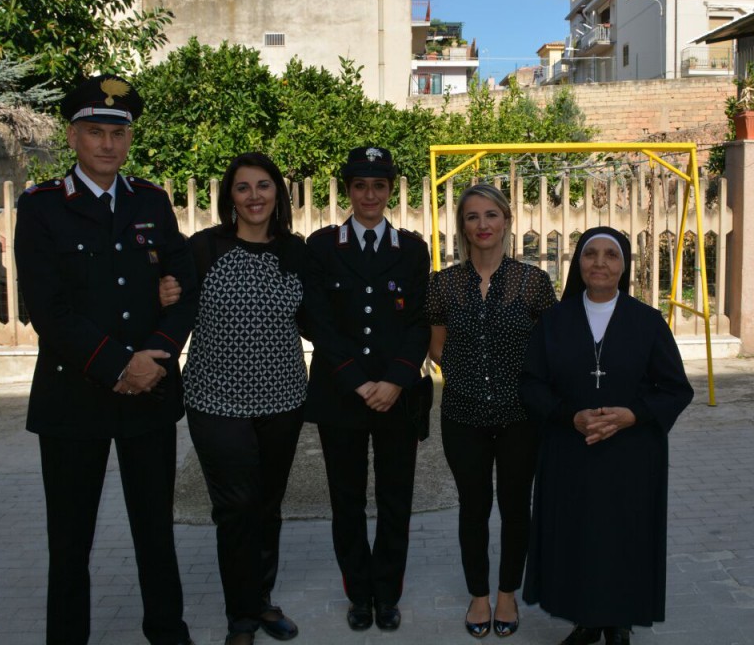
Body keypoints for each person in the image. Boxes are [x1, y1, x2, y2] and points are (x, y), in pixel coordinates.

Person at [14, 74, 197, 645]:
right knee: (70, 540)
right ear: (73, 137)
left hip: (150, 393)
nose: (108, 145)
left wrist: (160, 354)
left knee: (154, 531)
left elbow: (184, 282)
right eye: (95, 132)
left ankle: (167, 631)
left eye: (118, 133)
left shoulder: (151, 200)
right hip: (74, 397)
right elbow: (49, 309)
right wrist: (122, 364)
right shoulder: (42, 207)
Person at [520, 226, 694, 645]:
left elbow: (676, 388)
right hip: (570, 448)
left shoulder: (647, 321)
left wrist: (632, 415)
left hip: (632, 453)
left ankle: (619, 622)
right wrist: (568, 416)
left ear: (623, 265)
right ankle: (586, 619)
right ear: (578, 263)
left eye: (610, 255)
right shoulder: (554, 320)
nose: (599, 263)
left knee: (625, 535)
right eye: (590, 254)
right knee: (577, 535)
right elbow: (531, 383)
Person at [179, 153, 312, 645]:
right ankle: (240, 618)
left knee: (268, 505)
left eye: (264, 186)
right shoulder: (203, 249)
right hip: (215, 401)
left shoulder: (296, 252)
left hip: (282, 399)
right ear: (229, 197)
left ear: (278, 193)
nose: (254, 196)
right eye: (243, 187)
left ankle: (260, 599)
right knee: (236, 507)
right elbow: (171, 308)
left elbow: (319, 316)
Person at [303, 145, 432, 633]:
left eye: (379, 186)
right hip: (343, 396)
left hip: (397, 398)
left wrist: (396, 380)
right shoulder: (322, 247)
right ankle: (359, 593)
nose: (370, 195)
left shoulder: (412, 250)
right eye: (360, 186)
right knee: (347, 500)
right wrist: (360, 382)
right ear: (348, 191)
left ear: (390, 190)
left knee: (396, 499)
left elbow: (419, 322)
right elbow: (316, 320)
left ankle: (387, 591)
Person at [426, 184, 556, 639]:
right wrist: (472, 377)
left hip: (521, 417)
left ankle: (507, 593)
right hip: (462, 415)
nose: (482, 225)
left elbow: (549, 350)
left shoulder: (534, 283)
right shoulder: (443, 283)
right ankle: (479, 595)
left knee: (516, 506)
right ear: (462, 226)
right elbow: (437, 346)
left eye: (491, 215)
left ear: (506, 220)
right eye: (472, 217)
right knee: (473, 507)